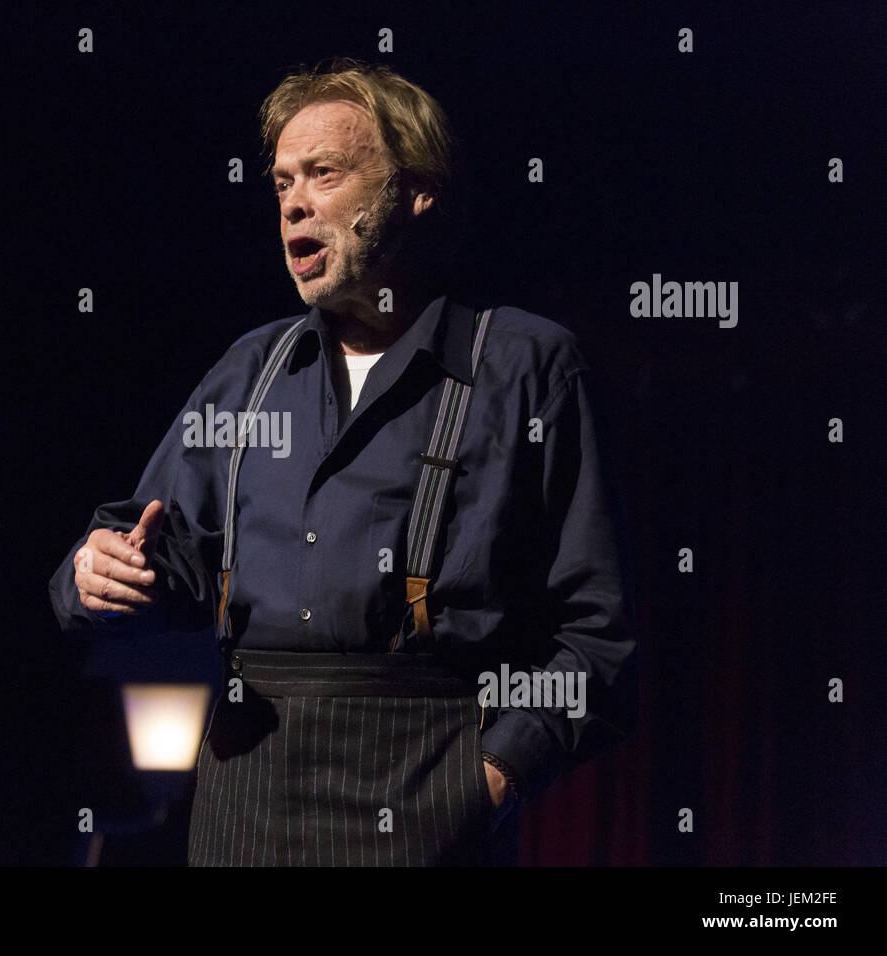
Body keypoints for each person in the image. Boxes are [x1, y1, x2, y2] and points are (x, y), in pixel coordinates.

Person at [49, 57, 636, 866]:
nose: (293, 200)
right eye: (283, 181)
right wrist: (97, 571)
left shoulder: (525, 366)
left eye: (324, 173)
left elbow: (599, 634)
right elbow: (157, 549)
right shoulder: (249, 372)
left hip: (429, 784)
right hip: (245, 791)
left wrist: (494, 774)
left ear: (416, 190)